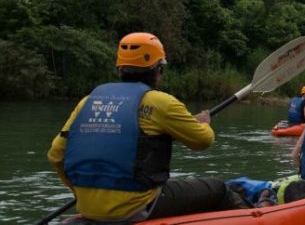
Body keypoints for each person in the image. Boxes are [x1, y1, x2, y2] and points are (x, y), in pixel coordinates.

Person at [47, 32, 246, 222]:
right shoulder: (161, 102)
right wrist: (203, 124)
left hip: (88, 207)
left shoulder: (87, 101)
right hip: (137, 207)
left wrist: (80, 194)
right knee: (218, 189)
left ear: (119, 69)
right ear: (158, 70)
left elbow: (56, 154)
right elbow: (203, 141)